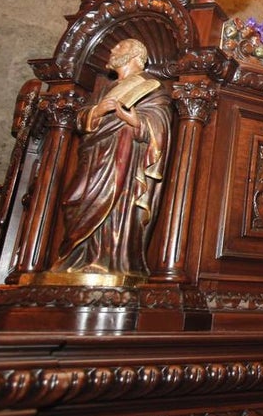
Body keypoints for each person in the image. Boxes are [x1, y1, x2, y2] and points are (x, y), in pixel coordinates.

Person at [49, 38, 172, 281]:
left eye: (121, 47)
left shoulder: (150, 87)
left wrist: (136, 123)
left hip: (124, 160)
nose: (113, 49)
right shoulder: (104, 88)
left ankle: (108, 262)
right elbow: (82, 118)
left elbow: (160, 122)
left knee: (115, 207)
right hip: (93, 157)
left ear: (138, 55)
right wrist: (97, 111)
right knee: (76, 200)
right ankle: (77, 259)